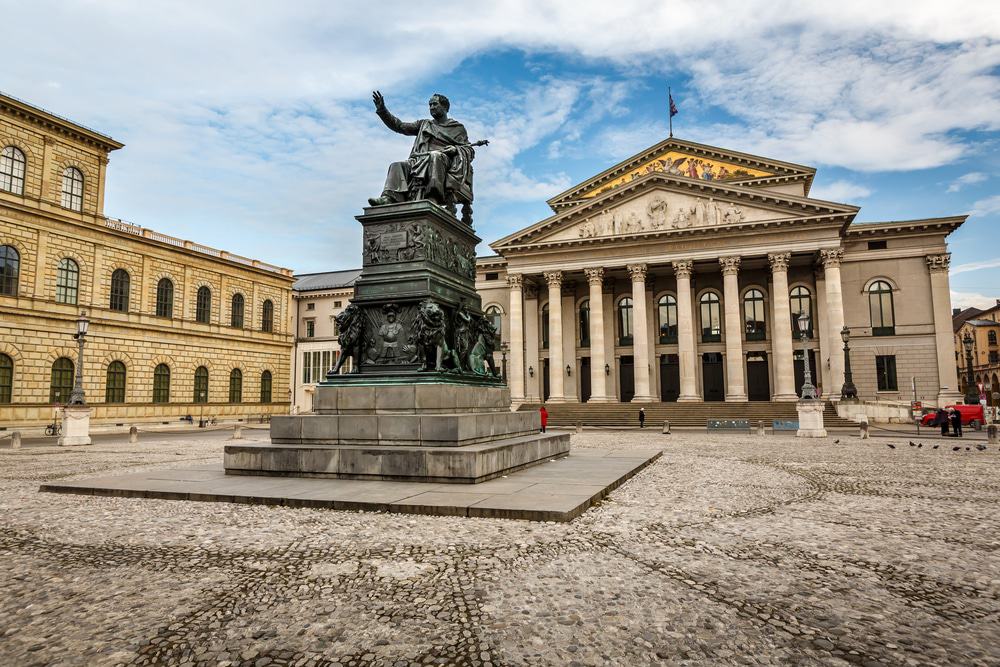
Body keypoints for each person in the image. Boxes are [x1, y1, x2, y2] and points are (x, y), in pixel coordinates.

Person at [368, 91, 475, 210]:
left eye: (435, 104)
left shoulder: (457, 128)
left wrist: (455, 149)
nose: (432, 107)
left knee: (435, 156)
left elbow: (469, 150)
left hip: (444, 162)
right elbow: (399, 126)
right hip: (420, 159)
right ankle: (390, 197)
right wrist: (383, 110)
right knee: (397, 165)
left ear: (445, 107)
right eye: (430, 105)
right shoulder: (424, 124)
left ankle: (432, 196)